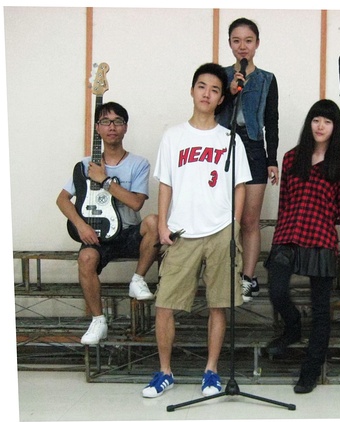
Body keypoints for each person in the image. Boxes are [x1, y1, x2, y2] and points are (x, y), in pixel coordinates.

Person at [142, 63, 252, 398]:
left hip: (220, 230)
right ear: (192, 91)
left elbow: (240, 186)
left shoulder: (230, 139)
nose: (207, 94)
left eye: (215, 89)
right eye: (202, 86)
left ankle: (211, 371)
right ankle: (165, 372)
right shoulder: (173, 136)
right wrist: (163, 223)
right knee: (165, 304)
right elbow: (165, 184)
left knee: (218, 305)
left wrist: (234, 225)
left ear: (221, 99)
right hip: (181, 230)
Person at [264, 99, 340, 394]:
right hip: (288, 234)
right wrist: (278, 236)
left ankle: (310, 369)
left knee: (321, 311)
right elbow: (284, 202)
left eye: (327, 122)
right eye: (316, 120)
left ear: (335, 128)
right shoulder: (292, 158)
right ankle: (293, 326)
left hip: (321, 239)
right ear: (309, 123)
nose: (320, 126)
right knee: (276, 291)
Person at [56, 101, 159, 346]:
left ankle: (137, 280)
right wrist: (81, 226)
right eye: (105, 122)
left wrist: (104, 181)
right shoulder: (84, 165)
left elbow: (136, 203)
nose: (112, 127)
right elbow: (62, 200)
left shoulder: (139, 164)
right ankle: (98, 320)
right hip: (97, 234)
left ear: (125, 128)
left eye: (117, 122)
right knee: (86, 258)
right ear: (97, 129)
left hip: (128, 233)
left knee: (155, 222)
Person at [217, 17, 279, 302]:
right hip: (222, 145)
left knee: (250, 219)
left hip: (253, 146)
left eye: (248, 40)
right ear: (230, 44)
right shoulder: (220, 75)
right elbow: (209, 110)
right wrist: (229, 91)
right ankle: (223, 274)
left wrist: (272, 159)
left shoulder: (267, 79)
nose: (242, 46)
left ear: (257, 44)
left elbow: (271, 120)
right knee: (225, 216)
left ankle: (248, 277)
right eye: (236, 40)